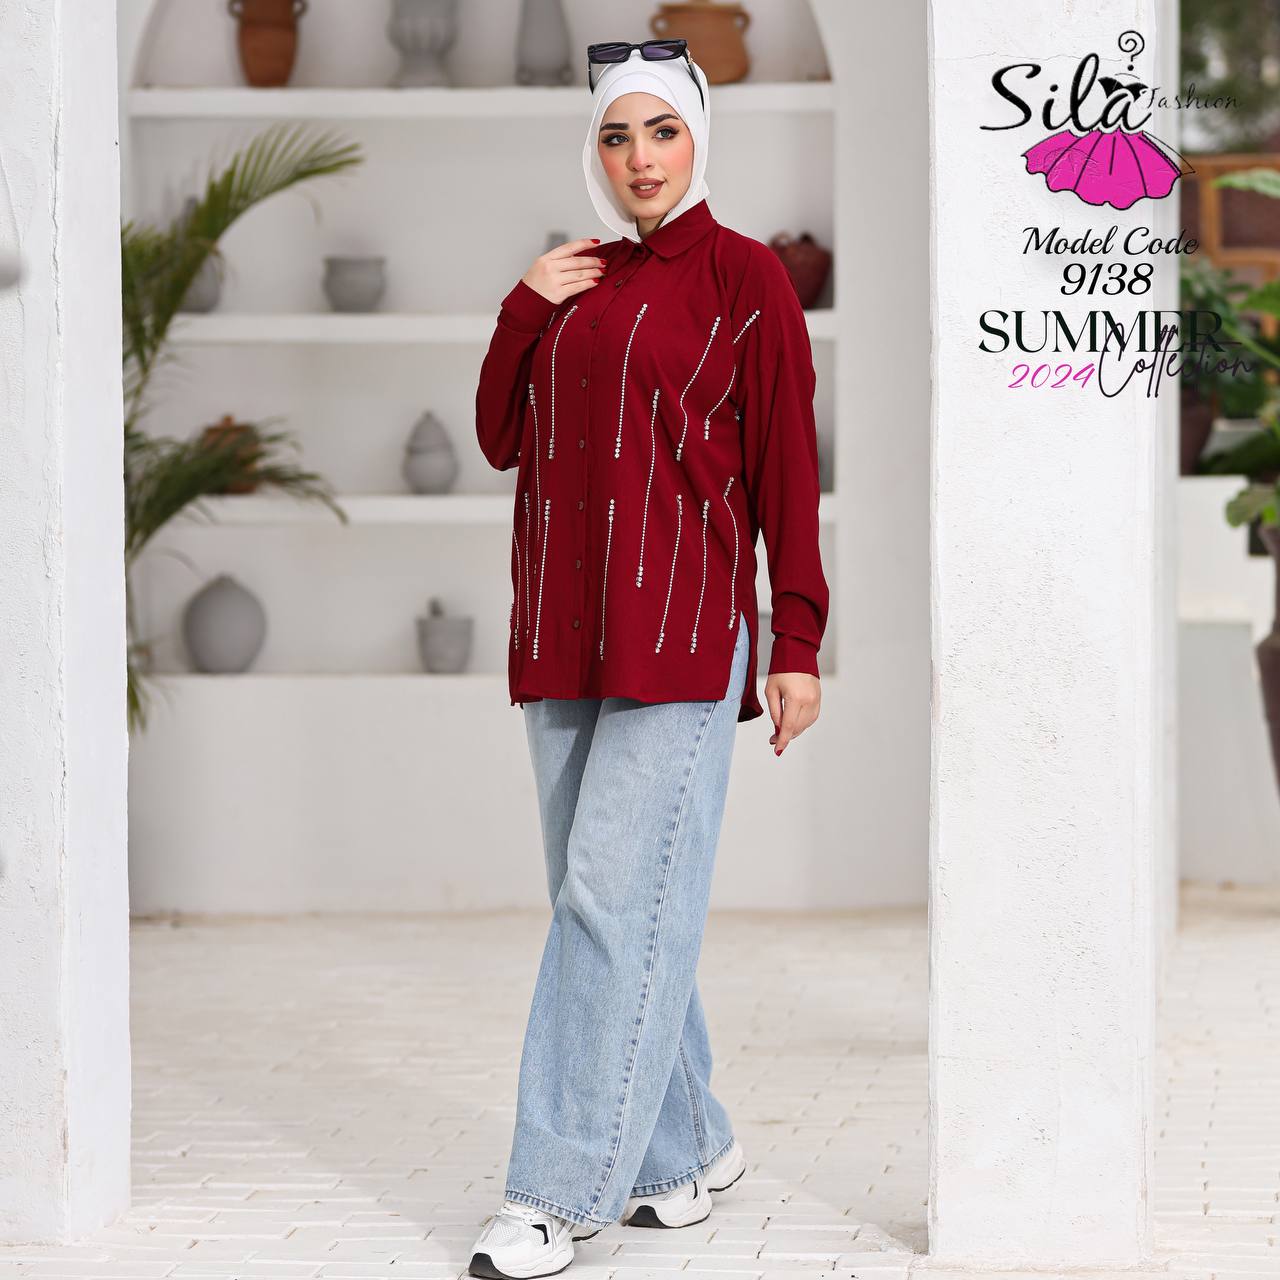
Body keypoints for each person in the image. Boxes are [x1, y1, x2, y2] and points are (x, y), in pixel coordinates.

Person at [469, 38, 829, 1280]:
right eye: (617, 136)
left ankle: (553, 1190)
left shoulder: (745, 279)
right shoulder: (573, 277)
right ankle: (681, 1151)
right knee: (609, 899)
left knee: (611, 902)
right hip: (561, 632)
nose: (639, 159)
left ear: (696, 139)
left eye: (661, 132)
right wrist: (524, 307)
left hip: (680, 636)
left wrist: (795, 640)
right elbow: (498, 436)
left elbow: (787, 470)